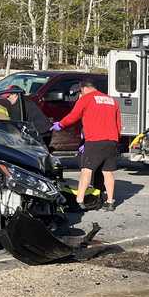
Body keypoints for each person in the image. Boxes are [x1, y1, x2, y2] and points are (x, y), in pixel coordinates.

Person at [52, 83, 121, 211]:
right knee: (108, 172)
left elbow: (74, 116)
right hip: (112, 140)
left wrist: (60, 125)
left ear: (84, 89)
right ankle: (110, 202)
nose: (79, 96)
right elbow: (118, 124)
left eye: (79, 93)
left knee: (86, 170)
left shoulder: (86, 98)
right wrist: (116, 140)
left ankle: (79, 200)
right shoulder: (112, 100)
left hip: (95, 141)